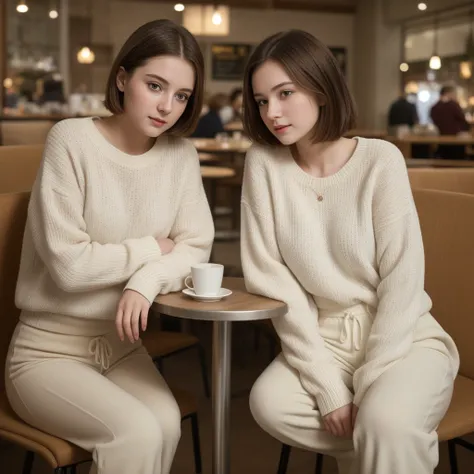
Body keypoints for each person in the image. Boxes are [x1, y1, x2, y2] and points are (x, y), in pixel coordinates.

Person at [240, 29, 459, 474]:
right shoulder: (264, 165)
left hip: (404, 336)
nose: (272, 113)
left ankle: (390, 440)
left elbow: (403, 278)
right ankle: (390, 452)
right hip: (326, 340)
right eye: (262, 101)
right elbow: (272, 279)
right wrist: (328, 386)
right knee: (269, 403)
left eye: (285, 93)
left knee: (386, 420)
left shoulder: (381, 160)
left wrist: (369, 383)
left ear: (321, 89)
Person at [5, 19, 214, 474]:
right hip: (47, 353)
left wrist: (145, 280)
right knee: (137, 433)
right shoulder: (71, 140)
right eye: (154, 85)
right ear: (122, 78)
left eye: (181, 96)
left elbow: (196, 246)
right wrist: (152, 249)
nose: (166, 107)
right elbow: (69, 267)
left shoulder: (181, 156)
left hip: (121, 347)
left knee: (165, 422)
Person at [430, 85, 470, 159]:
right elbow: (462, 120)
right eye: (454, 93)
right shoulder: (453, 105)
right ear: (448, 93)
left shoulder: (434, 107)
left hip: (440, 140)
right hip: (455, 140)